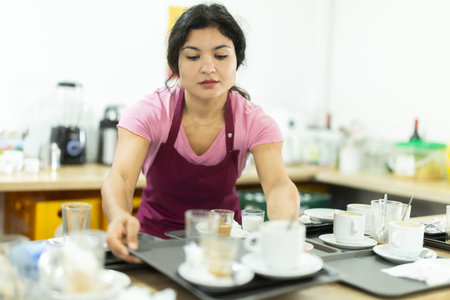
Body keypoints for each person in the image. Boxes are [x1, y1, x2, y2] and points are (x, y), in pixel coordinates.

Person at [102, 3, 299, 263]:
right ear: (176, 65)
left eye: (220, 55)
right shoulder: (150, 112)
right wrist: (118, 216)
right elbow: (121, 177)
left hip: (224, 247)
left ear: (237, 59)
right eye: (193, 57)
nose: (208, 67)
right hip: (153, 245)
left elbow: (277, 185)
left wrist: (284, 232)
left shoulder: (254, 121)